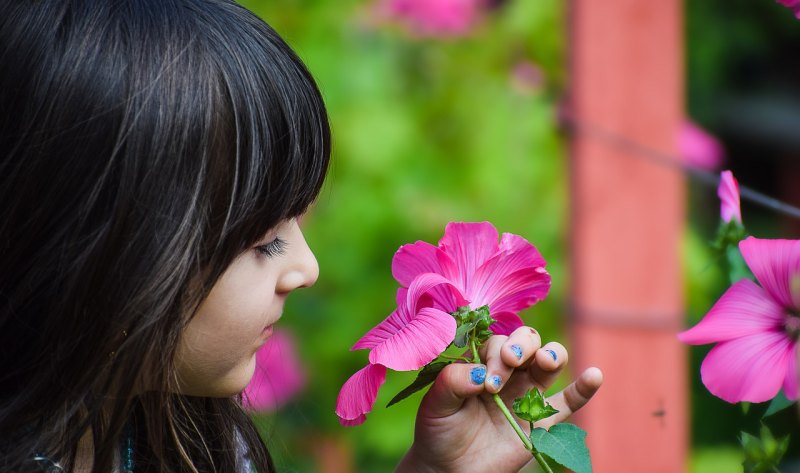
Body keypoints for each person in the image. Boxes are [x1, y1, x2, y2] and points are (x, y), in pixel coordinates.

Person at [0, 1, 603, 471]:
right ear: (88, 245)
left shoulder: (187, 443)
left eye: (297, 222)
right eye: (262, 241)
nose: (306, 267)